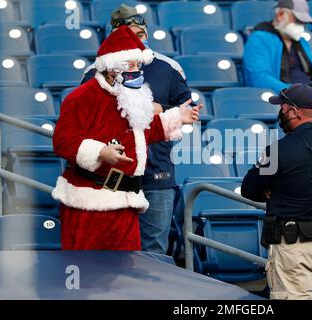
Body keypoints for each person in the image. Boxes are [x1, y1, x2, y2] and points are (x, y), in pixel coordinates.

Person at [52, 26, 201, 250]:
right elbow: (63, 140)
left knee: (126, 274)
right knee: (88, 271)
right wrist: (100, 152)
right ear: (112, 68)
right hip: (89, 203)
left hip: (126, 201)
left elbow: (144, 131)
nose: (138, 71)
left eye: (139, 65)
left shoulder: (129, 96)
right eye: (131, 65)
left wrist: (177, 117)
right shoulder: (81, 97)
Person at [81, 5, 192, 254]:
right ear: (114, 36)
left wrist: (157, 109)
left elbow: (190, 113)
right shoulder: (97, 71)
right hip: (111, 174)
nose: (135, 40)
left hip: (157, 172)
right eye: (127, 33)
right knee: (110, 246)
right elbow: (84, 122)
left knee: (153, 249)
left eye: (139, 34)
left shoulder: (168, 68)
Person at [241, 83, 312, 300]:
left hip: (294, 248)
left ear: (294, 112)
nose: (280, 113)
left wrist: (272, 190)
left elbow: (249, 189)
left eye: (282, 108)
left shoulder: (280, 149)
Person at [243, 0, 312, 93]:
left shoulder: (302, 42)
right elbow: (258, 78)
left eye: (303, 22)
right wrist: (294, 92)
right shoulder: (259, 39)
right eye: (297, 20)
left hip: (311, 97)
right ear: (280, 15)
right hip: (283, 100)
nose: (302, 26)